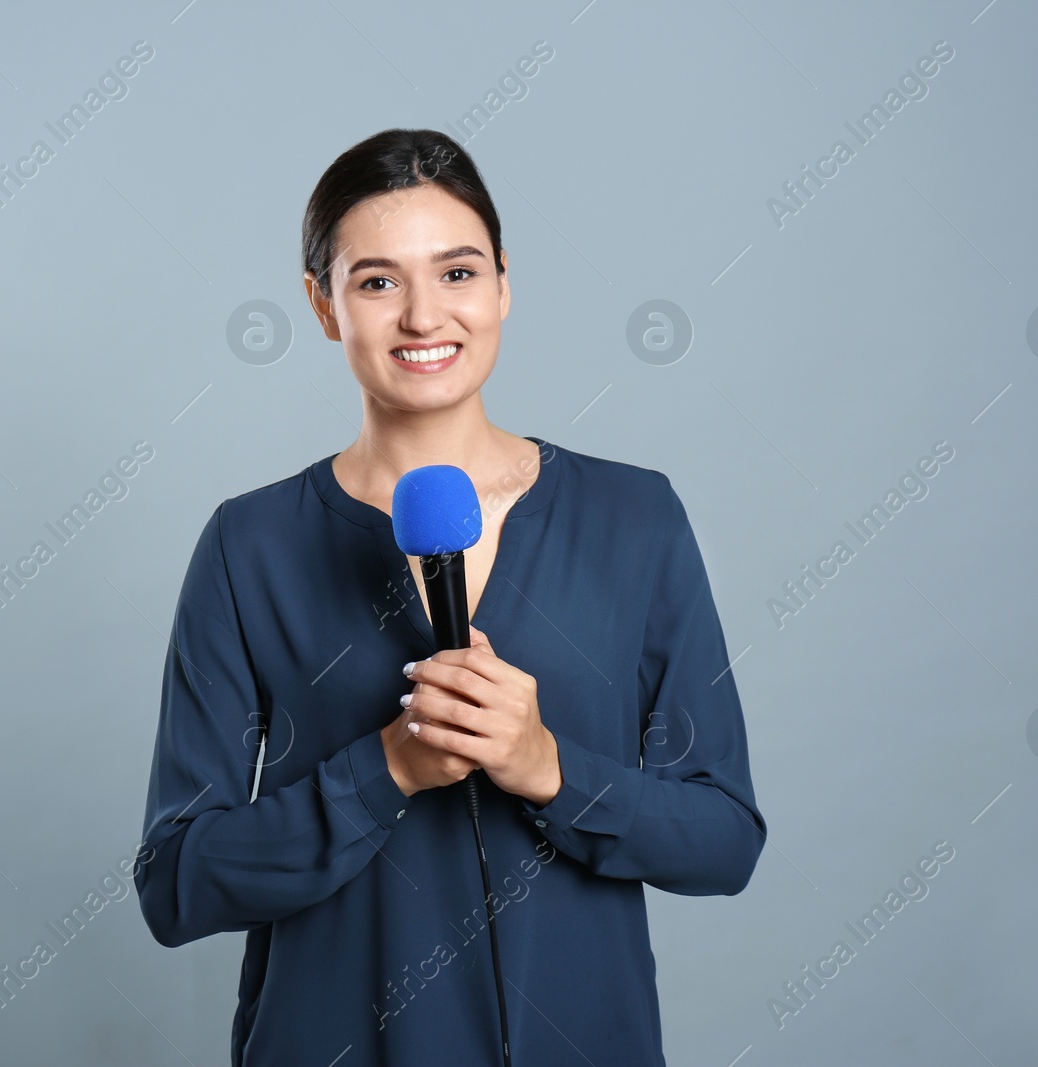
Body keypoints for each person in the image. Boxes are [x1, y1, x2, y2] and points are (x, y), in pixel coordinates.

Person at [134, 127, 767, 1066]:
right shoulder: (249, 545)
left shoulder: (635, 517)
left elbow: (723, 840)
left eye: (459, 273)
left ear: (504, 283)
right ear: (322, 306)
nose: (426, 317)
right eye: (378, 281)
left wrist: (550, 766)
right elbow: (176, 884)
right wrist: (382, 772)